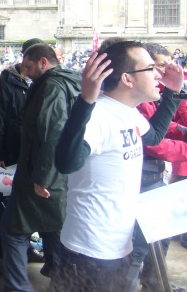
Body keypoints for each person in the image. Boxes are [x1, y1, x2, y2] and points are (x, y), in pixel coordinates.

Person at [55, 41, 183, 291]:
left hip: (119, 246)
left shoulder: (128, 112)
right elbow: (66, 162)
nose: (158, 74)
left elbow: (154, 135)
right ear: (127, 78)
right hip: (89, 252)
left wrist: (172, 92)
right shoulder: (99, 115)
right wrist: (86, 100)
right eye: (150, 68)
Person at [0, 43, 82, 292]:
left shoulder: (50, 87)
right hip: (57, 173)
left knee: (13, 229)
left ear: (44, 63)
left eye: (29, 65)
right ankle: (61, 279)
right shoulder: (70, 81)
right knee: (55, 229)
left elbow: (52, 134)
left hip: (41, 173)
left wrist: (42, 177)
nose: (24, 71)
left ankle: (18, 287)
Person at [128, 43, 187, 290]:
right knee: (139, 245)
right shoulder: (133, 100)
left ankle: (153, 284)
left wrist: (182, 131)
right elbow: (152, 139)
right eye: (159, 66)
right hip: (141, 178)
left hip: (153, 176)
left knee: (160, 237)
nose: (162, 73)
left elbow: (160, 125)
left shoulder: (152, 95)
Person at [0, 37, 43, 273]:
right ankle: (0, 254)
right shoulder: (4, 83)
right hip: (6, 156)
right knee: (3, 208)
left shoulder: (38, 82)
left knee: (25, 207)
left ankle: (25, 248)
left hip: (28, 156)